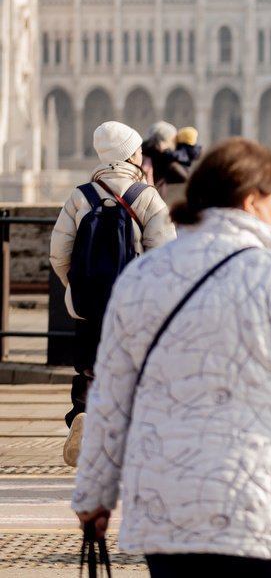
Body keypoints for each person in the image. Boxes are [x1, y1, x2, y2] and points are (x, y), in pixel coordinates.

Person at [71, 138, 271, 576]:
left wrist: (93, 495)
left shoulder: (142, 277)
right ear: (251, 201)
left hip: (169, 513)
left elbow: (110, 399)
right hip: (261, 512)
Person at [50, 121, 176, 467]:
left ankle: (84, 416)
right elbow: (165, 256)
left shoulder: (81, 196)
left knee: (89, 369)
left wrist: (77, 288)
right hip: (133, 306)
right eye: (137, 148)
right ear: (129, 155)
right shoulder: (146, 196)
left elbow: (58, 254)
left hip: (89, 304)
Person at [142, 121, 189, 188]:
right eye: (174, 139)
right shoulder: (166, 160)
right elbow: (185, 177)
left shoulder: (140, 152)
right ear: (167, 140)